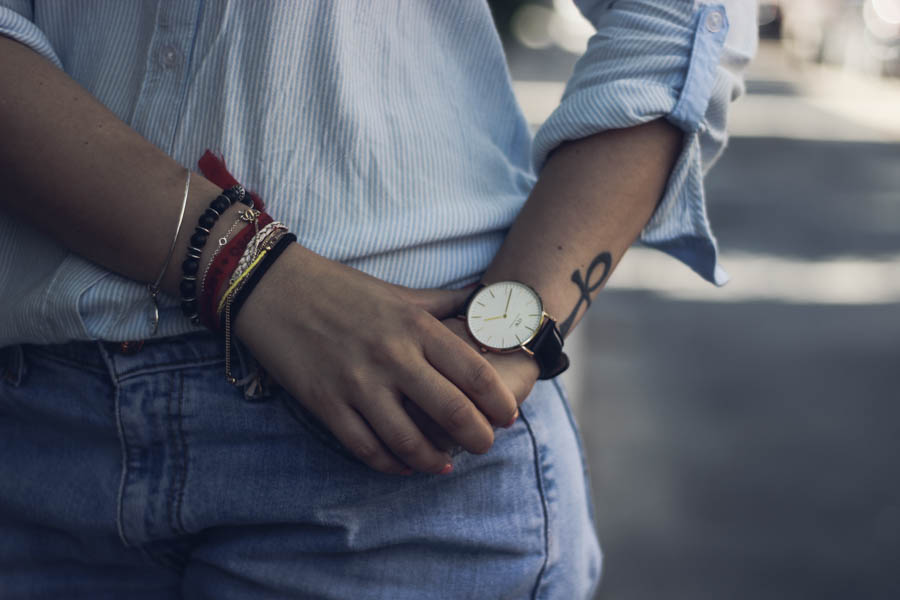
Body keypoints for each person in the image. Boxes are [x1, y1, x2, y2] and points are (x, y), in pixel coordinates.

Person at [0, 1, 756, 598]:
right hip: (34, 436)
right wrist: (255, 272)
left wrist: (510, 339)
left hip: (403, 438)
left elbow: (683, 15)